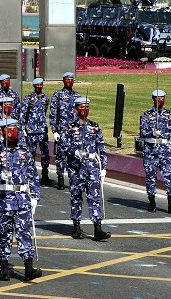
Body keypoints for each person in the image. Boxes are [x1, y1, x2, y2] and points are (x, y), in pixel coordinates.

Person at [0, 118, 41, 282]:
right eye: (10, 128)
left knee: (24, 234)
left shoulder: (24, 152)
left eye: (15, 128)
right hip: (2, 201)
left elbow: (32, 176)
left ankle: (29, 269)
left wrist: (35, 196)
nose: (13, 131)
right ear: (1, 131)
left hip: (22, 200)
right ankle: (4, 268)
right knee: (3, 235)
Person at [60, 97, 110, 241]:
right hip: (76, 168)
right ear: (76, 109)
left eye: (87, 107)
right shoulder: (69, 128)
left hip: (92, 166)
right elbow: (63, 146)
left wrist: (103, 167)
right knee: (76, 196)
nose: (85, 110)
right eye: (82, 107)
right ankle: (76, 226)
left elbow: (101, 148)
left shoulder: (94, 126)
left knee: (94, 196)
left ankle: (97, 228)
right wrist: (74, 152)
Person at [139, 90, 171, 214]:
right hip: (151, 150)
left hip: (165, 149)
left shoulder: (168, 114)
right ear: (153, 100)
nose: (161, 101)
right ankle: (152, 201)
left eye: (163, 98)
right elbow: (142, 132)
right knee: (151, 176)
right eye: (158, 98)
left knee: (169, 175)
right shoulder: (147, 114)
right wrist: (152, 132)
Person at [49, 72, 81, 190]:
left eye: (71, 79)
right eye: (67, 79)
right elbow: (53, 114)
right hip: (62, 130)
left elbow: (81, 113)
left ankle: (74, 179)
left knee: (75, 155)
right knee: (61, 156)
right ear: (63, 81)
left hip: (75, 131)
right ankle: (60, 177)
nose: (70, 82)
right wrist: (54, 131)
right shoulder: (57, 95)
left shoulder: (78, 96)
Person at [21, 78, 51, 185]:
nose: (39, 87)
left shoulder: (46, 98)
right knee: (31, 154)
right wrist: (23, 128)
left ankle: (45, 174)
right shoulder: (28, 98)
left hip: (42, 130)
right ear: (34, 86)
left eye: (41, 85)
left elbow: (45, 111)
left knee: (45, 154)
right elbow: (23, 113)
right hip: (31, 131)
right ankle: (30, 174)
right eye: (37, 85)